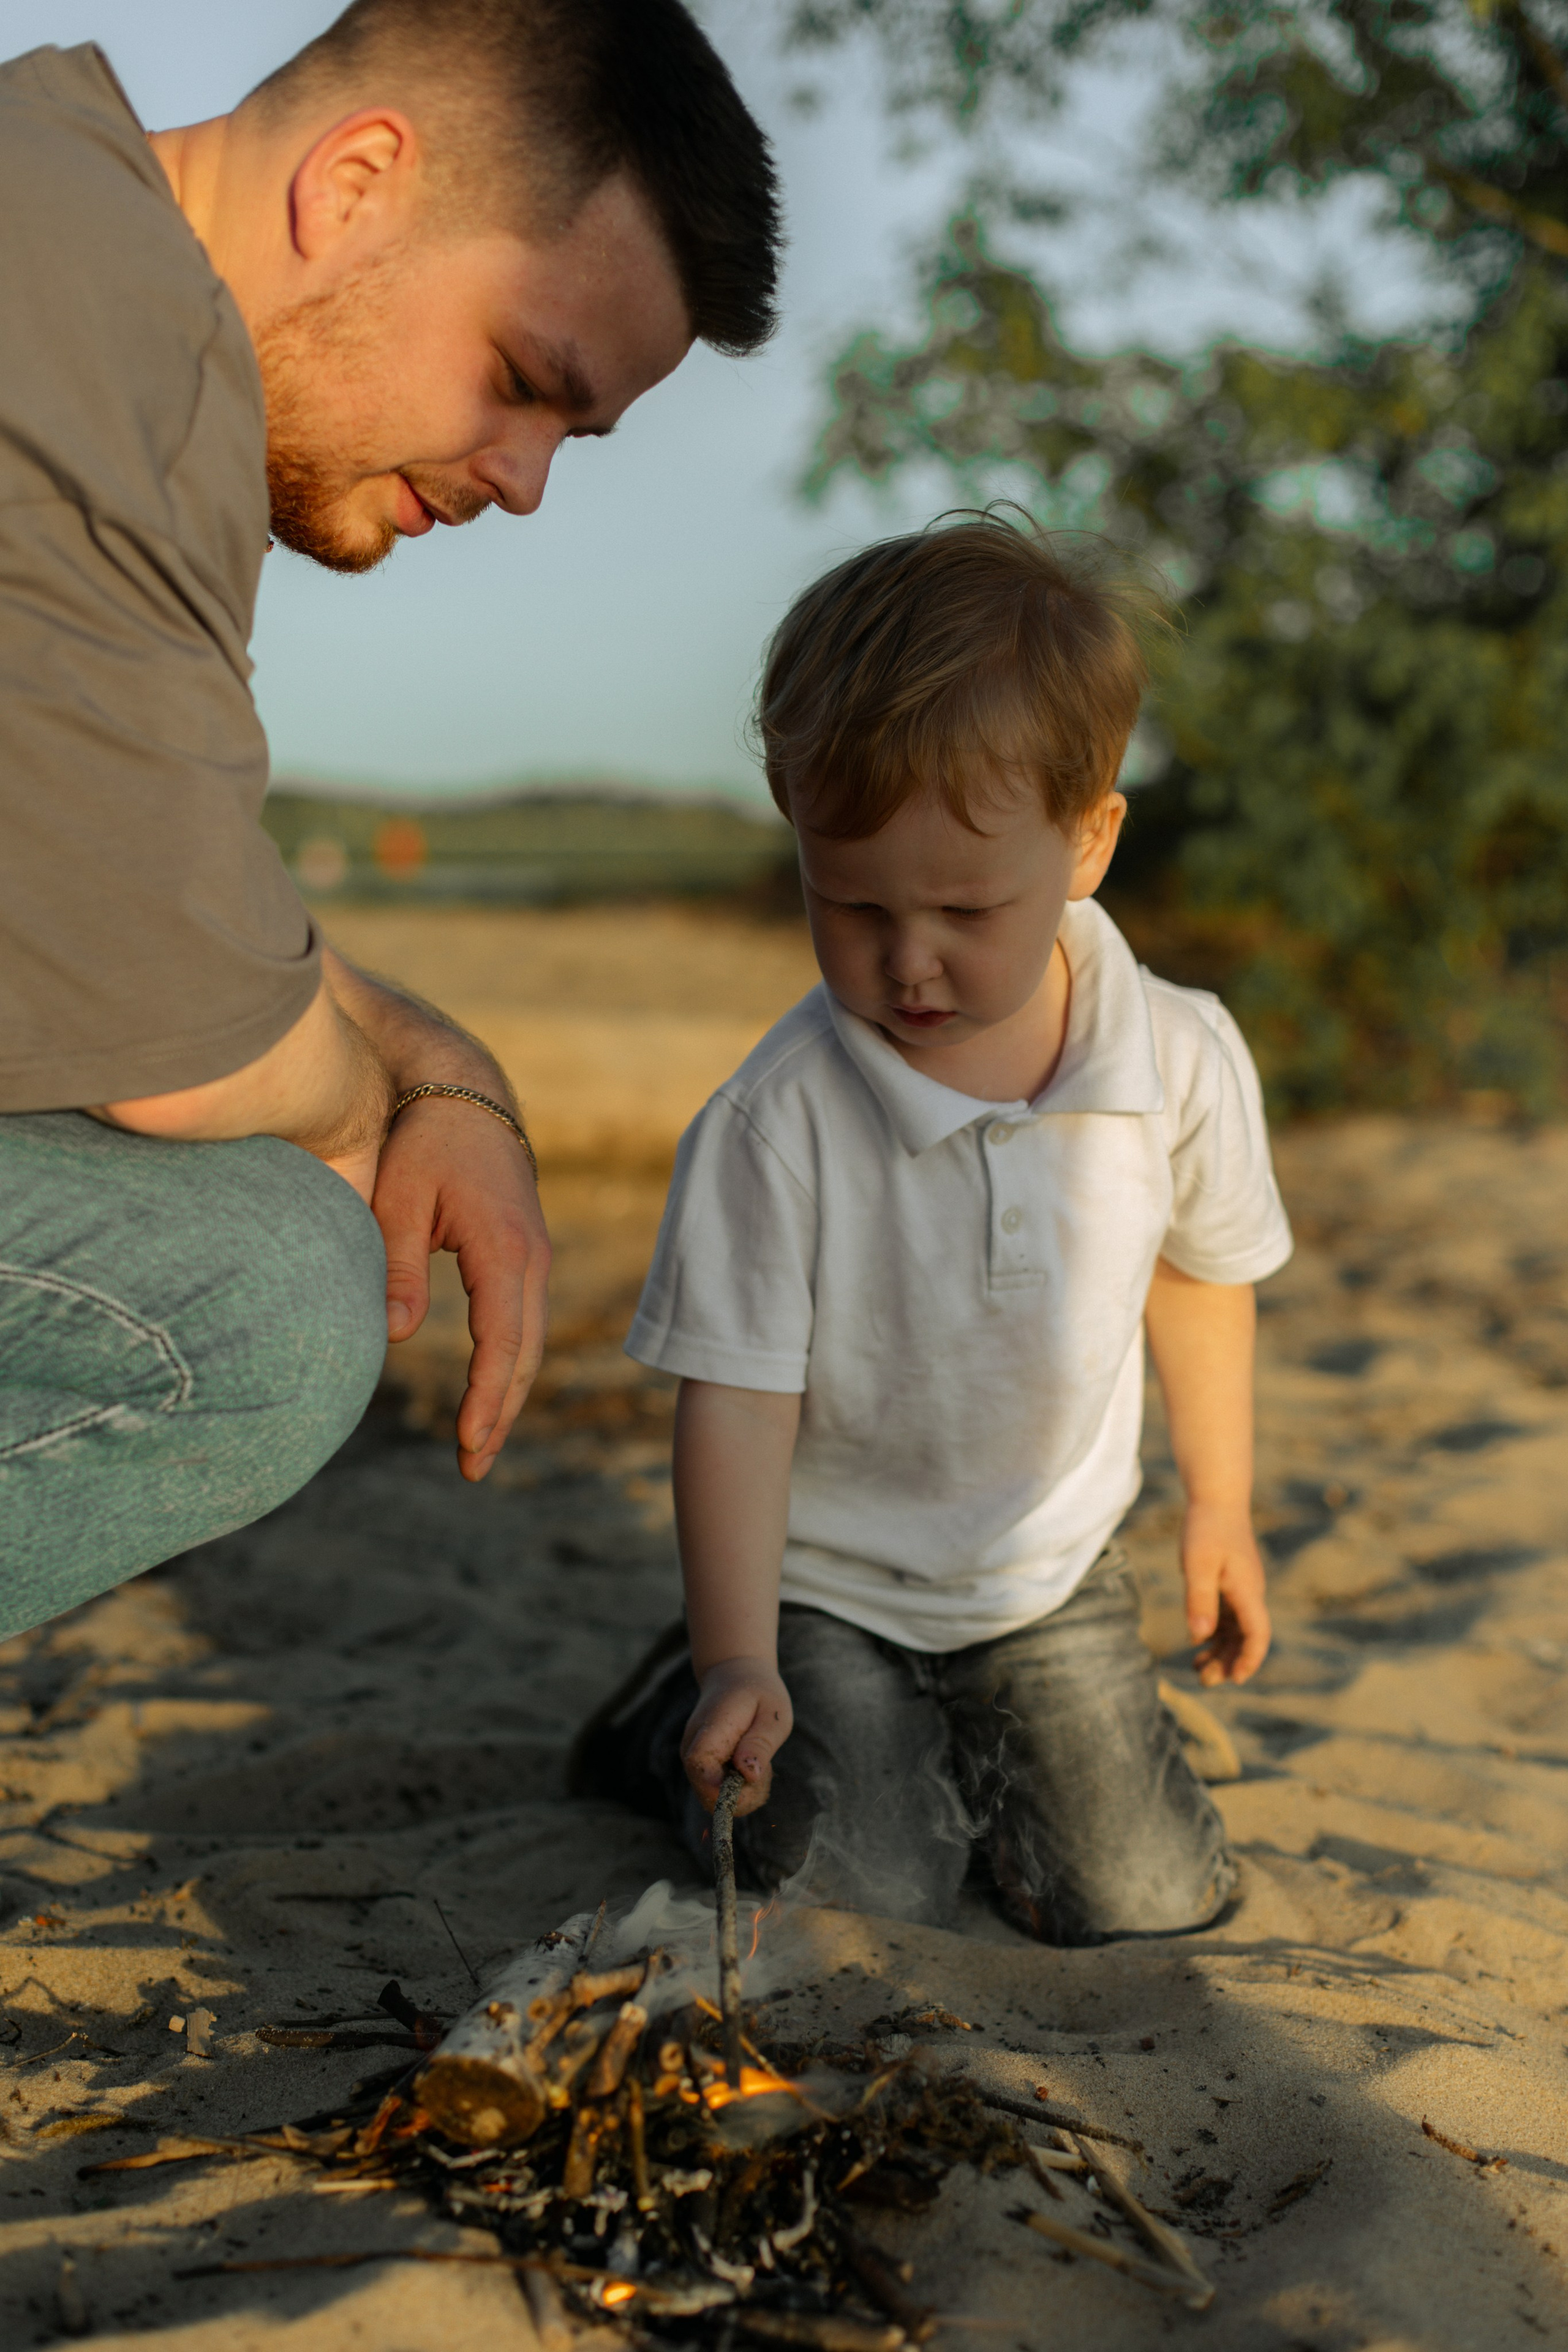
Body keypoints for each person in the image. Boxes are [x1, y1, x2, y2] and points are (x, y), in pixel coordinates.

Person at [0, 0, 780, 1642]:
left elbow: (155, 898)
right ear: (354, 182)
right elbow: (187, 1051)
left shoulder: (64, 224)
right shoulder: (101, 348)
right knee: (266, 1295)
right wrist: (370, 1123)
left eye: (574, 433)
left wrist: (446, 1076)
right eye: (523, 382)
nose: (526, 483)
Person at [571, 514, 1292, 1942]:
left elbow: (1199, 1275)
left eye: (965, 910)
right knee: (868, 1887)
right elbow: (734, 1404)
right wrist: (737, 1656)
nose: (907, 964)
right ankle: (674, 1705)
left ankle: (959, 1739)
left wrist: (1219, 1504)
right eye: (848, 907)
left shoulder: (1180, 1057)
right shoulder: (776, 1122)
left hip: (1047, 1570)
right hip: (825, 1580)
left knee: (1140, 1897)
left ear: (1085, 842)